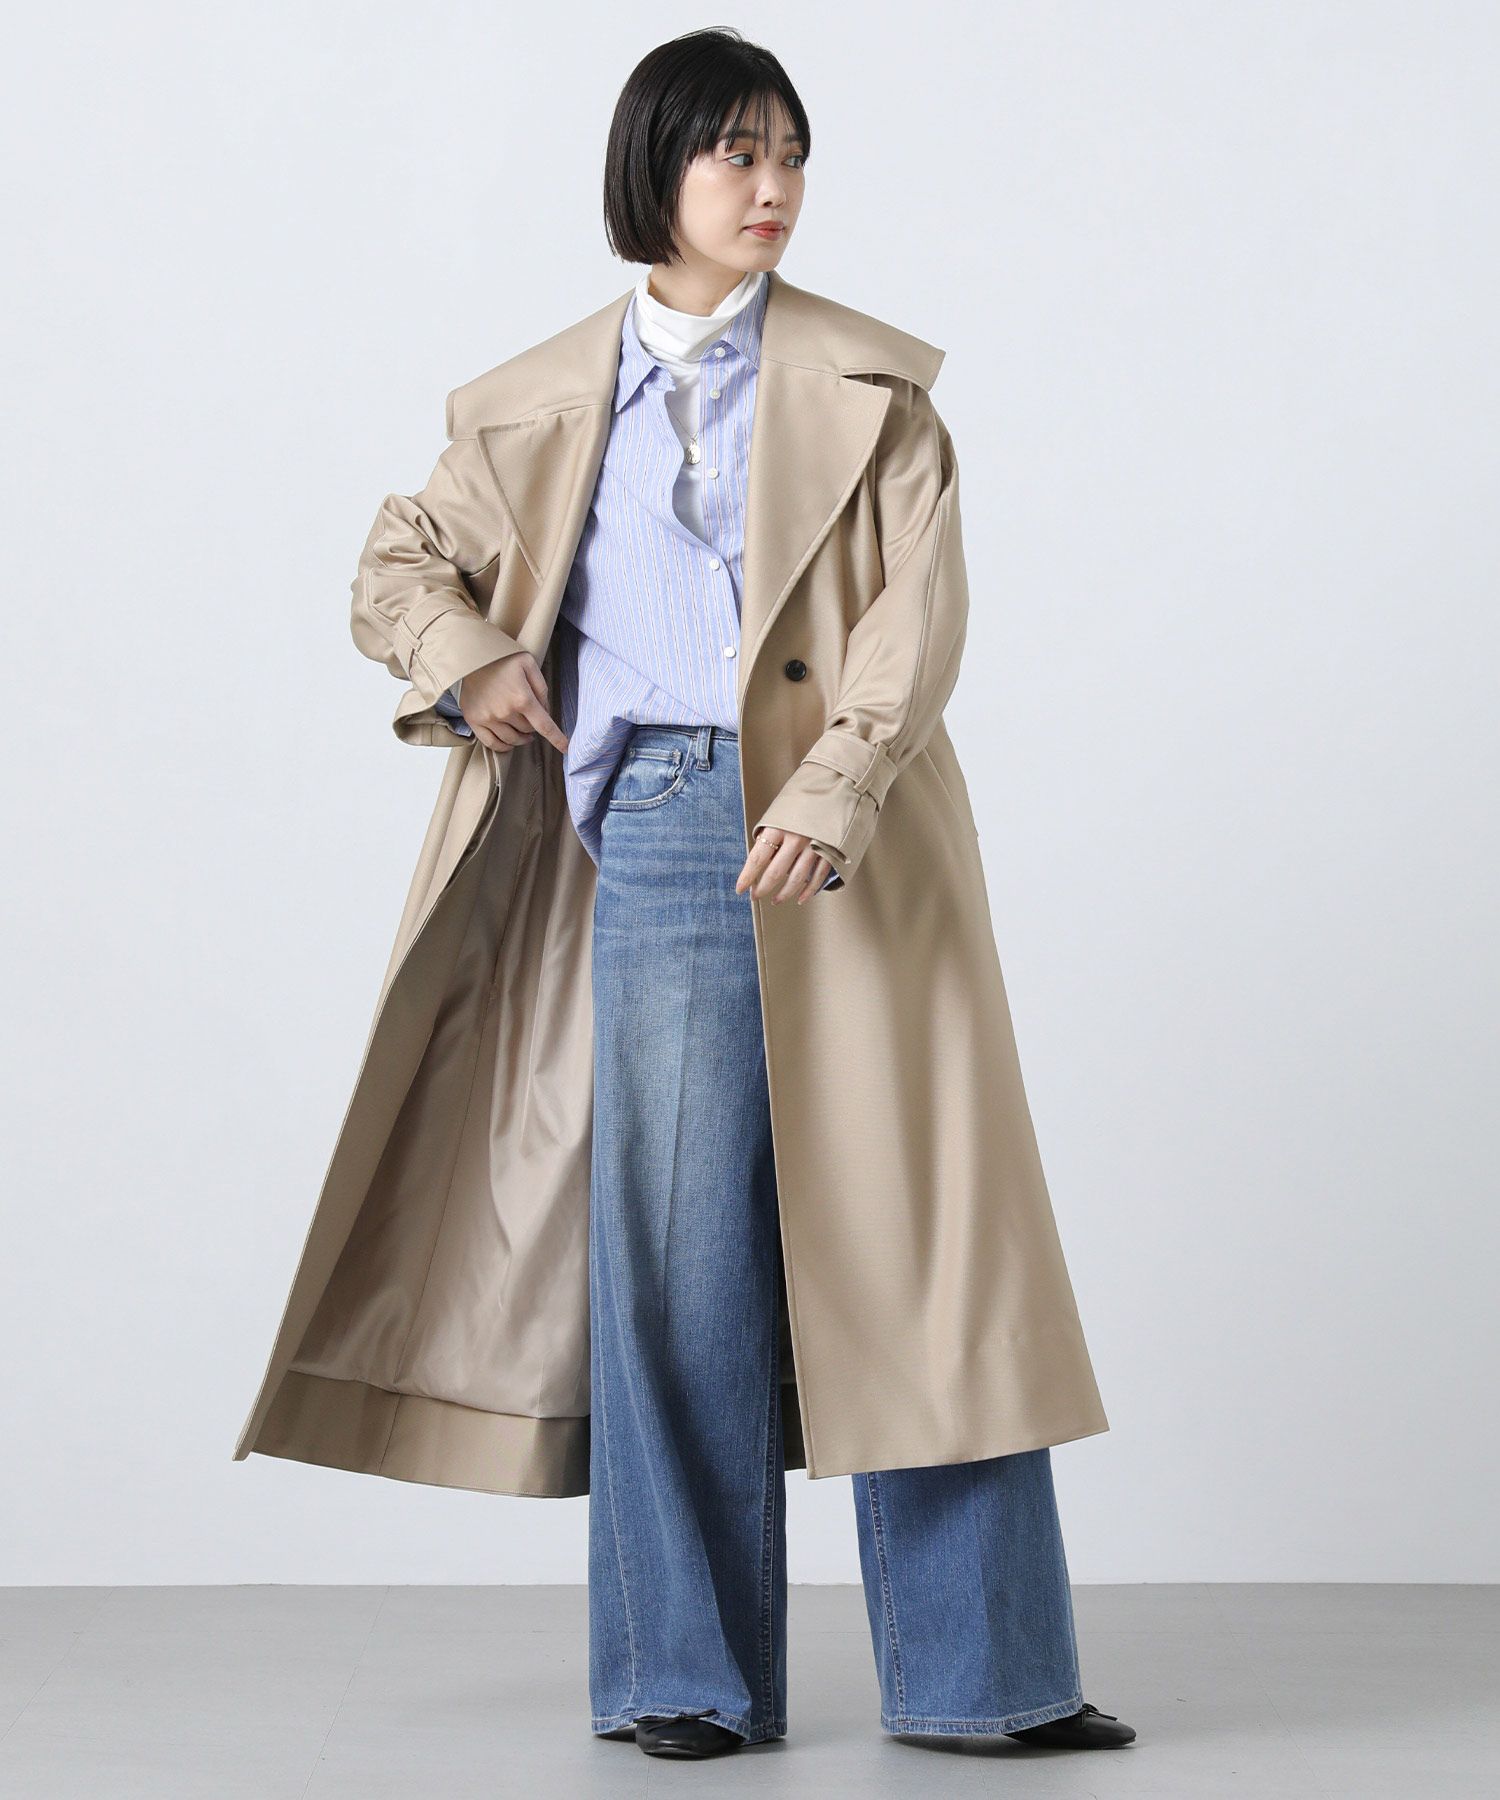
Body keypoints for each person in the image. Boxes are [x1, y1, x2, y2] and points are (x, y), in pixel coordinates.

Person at [431, 29, 1137, 1761]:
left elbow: (916, 618)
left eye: (791, 154)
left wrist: (836, 786)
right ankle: (684, 1673)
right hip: (670, 820)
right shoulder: (531, 399)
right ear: (655, 171)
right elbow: (400, 559)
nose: (773, 187)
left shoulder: (877, 388)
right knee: (675, 1253)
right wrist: (469, 654)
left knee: (923, 1231)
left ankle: (987, 1677)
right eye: (736, 153)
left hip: (860, 829)